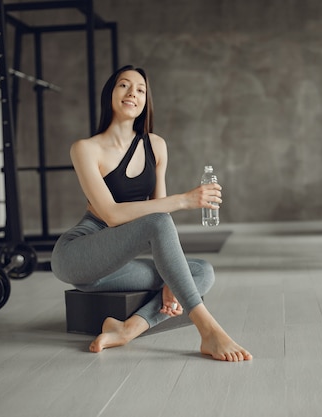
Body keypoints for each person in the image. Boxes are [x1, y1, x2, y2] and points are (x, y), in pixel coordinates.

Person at [51, 65, 252, 362]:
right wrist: (184, 200)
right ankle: (208, 329)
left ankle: (128, 329)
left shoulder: (156, 146)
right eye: (124, 85)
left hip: (116, 269)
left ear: (146, 101)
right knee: (160, 229)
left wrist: (171, 279)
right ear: (110, 94)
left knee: (201, 271)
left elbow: (161, 218)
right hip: (78, 255)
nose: (133, 93)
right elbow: (111, 215)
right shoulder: (85, 149)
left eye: (141, 90)